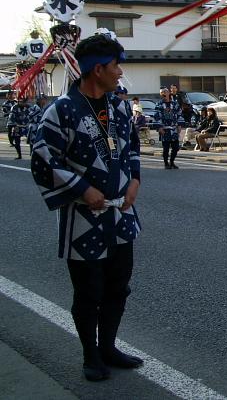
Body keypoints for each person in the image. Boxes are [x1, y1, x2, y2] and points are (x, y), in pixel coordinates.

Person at [29, 33, 143, 381]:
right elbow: (43, 159)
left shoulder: (121, 107)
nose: (119, 73)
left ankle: (108, 346)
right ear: (96, 70)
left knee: (118, 286)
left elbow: (132, 147)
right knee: (89, 290)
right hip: (83, 217)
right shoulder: (62, 110)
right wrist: (82, 188)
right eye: (115, 66)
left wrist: (135, 179)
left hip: (121, 215)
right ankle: (90, 355)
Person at [153, 87, 184, 169]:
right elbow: (156, 116)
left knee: (176, 147)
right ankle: (166, 163)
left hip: (174, 129)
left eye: (165, 92)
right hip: (164, 129)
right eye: (162, 92)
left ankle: (172, 161)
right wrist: (159, 128)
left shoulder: (174, 104)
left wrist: (179, 125)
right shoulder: (159, 104)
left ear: (168, 93)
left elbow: (179, 114)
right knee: (166, 148)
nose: (163, 93)